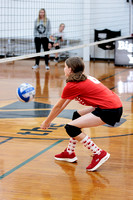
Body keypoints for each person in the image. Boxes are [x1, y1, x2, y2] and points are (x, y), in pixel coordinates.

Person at [40, 57, 123, 171]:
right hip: (112, 105)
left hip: (110, 110)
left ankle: (98, 153)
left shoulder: (73, 85)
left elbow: (58, 106)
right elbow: (64, 105)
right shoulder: (83, 78)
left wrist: (47, 121)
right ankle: (70, 153)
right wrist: (50, 120)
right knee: (76, 116)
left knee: (70, 128)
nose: (64, 69)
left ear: (70, 69)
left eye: (65, 67)